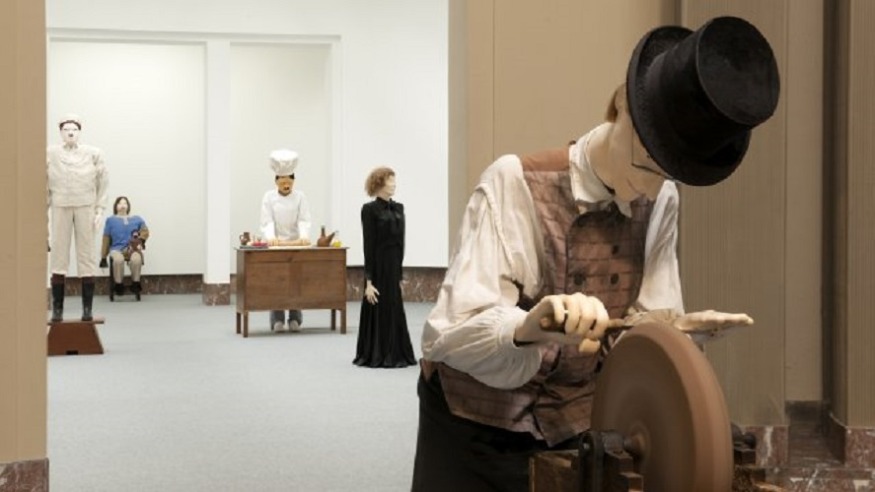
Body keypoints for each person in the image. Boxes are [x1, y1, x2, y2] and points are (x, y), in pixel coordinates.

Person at [411, 16, 780, 491]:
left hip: (577, 429)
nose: (650, 187)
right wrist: (528, 328)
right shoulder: (515, 183)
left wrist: (670, 332)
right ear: (621, 102)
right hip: (475, 431)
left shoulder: (661, 198)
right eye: (647, 160)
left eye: (669, 173)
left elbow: (640, 326)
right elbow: (447, 335)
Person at [353, 167, 417, 368]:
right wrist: (368, 281)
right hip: (378, 266)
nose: (394, 184)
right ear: (379, 184)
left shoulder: (399, 208)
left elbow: (401, 242)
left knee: (394, 307)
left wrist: (399, 274)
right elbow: (368, 245)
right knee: (379, 306)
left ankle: (397, 351)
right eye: (390, 180)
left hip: (393, 265)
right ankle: (378, 352)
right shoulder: (369, 210)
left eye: (394, 180)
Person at [47, 114, 109, 322]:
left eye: (74, 129)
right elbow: (44, 183)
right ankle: (57, 310)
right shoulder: (50, 153)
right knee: (58, 256)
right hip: (60, 206)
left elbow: (103, 182)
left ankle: (87, 309)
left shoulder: (93, 153)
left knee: (86, 255)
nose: (70, 133)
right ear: (60, 132)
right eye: (66, 129)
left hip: (85, 206)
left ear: (80, 131)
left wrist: (100, 209)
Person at [260, 149, 311, 332]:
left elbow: (303, 219)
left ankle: (295, 318)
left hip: (295, 244)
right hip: (276, 245)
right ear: (276, 182)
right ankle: (277, 320)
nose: (286, 185)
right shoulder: (269, 197)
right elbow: (267, 221)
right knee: (277, 281)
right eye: (282, 182)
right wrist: (271, 238)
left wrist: (303, 236)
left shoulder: (300, 197)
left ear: (293, 181)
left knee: (295, 282)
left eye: (289, 181)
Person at [99, 196, 150, 295]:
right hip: (116, 249)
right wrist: (103, 256)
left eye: (125, 203)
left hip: (132, 249)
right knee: (118, 260)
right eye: (120, 203)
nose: (122, 205)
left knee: (136, 259)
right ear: (116, 206)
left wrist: (139, 240)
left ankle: (135, 283)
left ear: (128, 206)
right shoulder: (110, 220)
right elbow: (106, 239)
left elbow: (145, 231)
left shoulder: (137, 219)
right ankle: (118, 285)